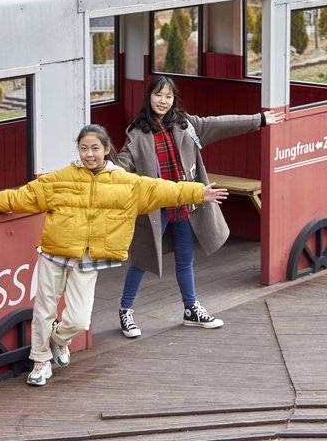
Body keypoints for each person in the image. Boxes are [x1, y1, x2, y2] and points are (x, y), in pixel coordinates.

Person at [0, 123, 227, 386]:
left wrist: (198, 193)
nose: (89, 154)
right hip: (54, 254)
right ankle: (41, 361)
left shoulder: (125, 182)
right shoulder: (61, 178)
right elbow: (26, 196)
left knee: (79, 319)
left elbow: (160, 189)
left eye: (95, 148)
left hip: (88, 259)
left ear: (107, 149)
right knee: (44, 310)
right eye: (84, 148)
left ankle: (58, 339)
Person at [117, 75, 284, 338]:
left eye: (168, 96)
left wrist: (259, 120)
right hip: (155, 206)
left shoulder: (187, 125)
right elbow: (122, 165)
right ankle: (125, 310)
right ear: (149, 96)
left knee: (186, 258)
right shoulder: (137, 134)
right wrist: (102, 171)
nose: (163, 101)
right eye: (158, 95)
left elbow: (222, 124)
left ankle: (191, 308)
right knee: (142, 258)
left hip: (186, 200)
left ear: (174, 100)